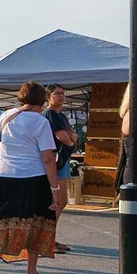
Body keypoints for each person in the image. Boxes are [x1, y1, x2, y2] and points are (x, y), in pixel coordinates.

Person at [0, 80, 60, 274]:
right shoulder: (41, 122)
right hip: (33, 177)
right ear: (42, 99)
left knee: (0, 219)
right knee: (37, 222)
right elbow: (47, 158)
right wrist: (55, 189)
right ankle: (31, 273)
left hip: (4, 176)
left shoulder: (6, 116)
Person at [45, 84, 79, 252]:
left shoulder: (61, 115)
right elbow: (65, 137)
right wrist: (72, 140)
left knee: (61, 201)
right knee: (57, 201)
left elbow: (72, 134)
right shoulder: (51, 114)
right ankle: (47, 239)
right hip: (55, 162)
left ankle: (50, 237)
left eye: (63, 93)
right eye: (57, 93)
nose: (61, 96)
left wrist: (72, 138)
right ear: (48, 97)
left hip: (62, 160)